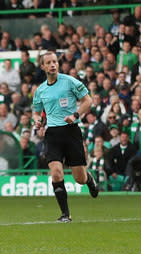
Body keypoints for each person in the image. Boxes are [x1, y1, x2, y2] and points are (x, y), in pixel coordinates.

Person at [33, 51, 99, 223]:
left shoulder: (69, 81)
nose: (53, 64)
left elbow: (88, 101)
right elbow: (36, 112)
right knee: (56, 173)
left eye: (55, 61)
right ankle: (65, 215)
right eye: (49, 62)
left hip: (71, 131)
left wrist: (75, 115)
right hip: (52, 134)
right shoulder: (40, 90)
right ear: (43, 67)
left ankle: (89, 179)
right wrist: (38, 121)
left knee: (79, 179)